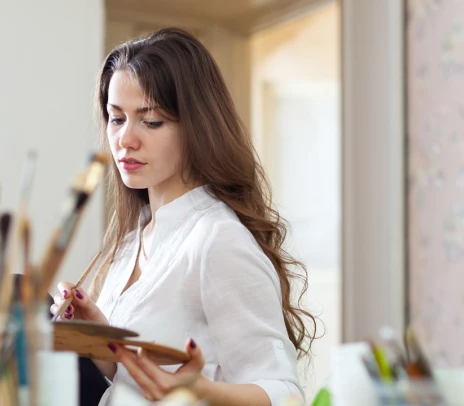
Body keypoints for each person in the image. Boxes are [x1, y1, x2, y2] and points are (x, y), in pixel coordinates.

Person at [51, 27, 317, 406]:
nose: (125, 139)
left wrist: (202, 391)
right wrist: (98, 337)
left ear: (195, 126)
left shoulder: (217, 239)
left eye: (151, 121)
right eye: (116, 118)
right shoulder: (131, 241)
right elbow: (127, 385)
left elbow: (286, 392)